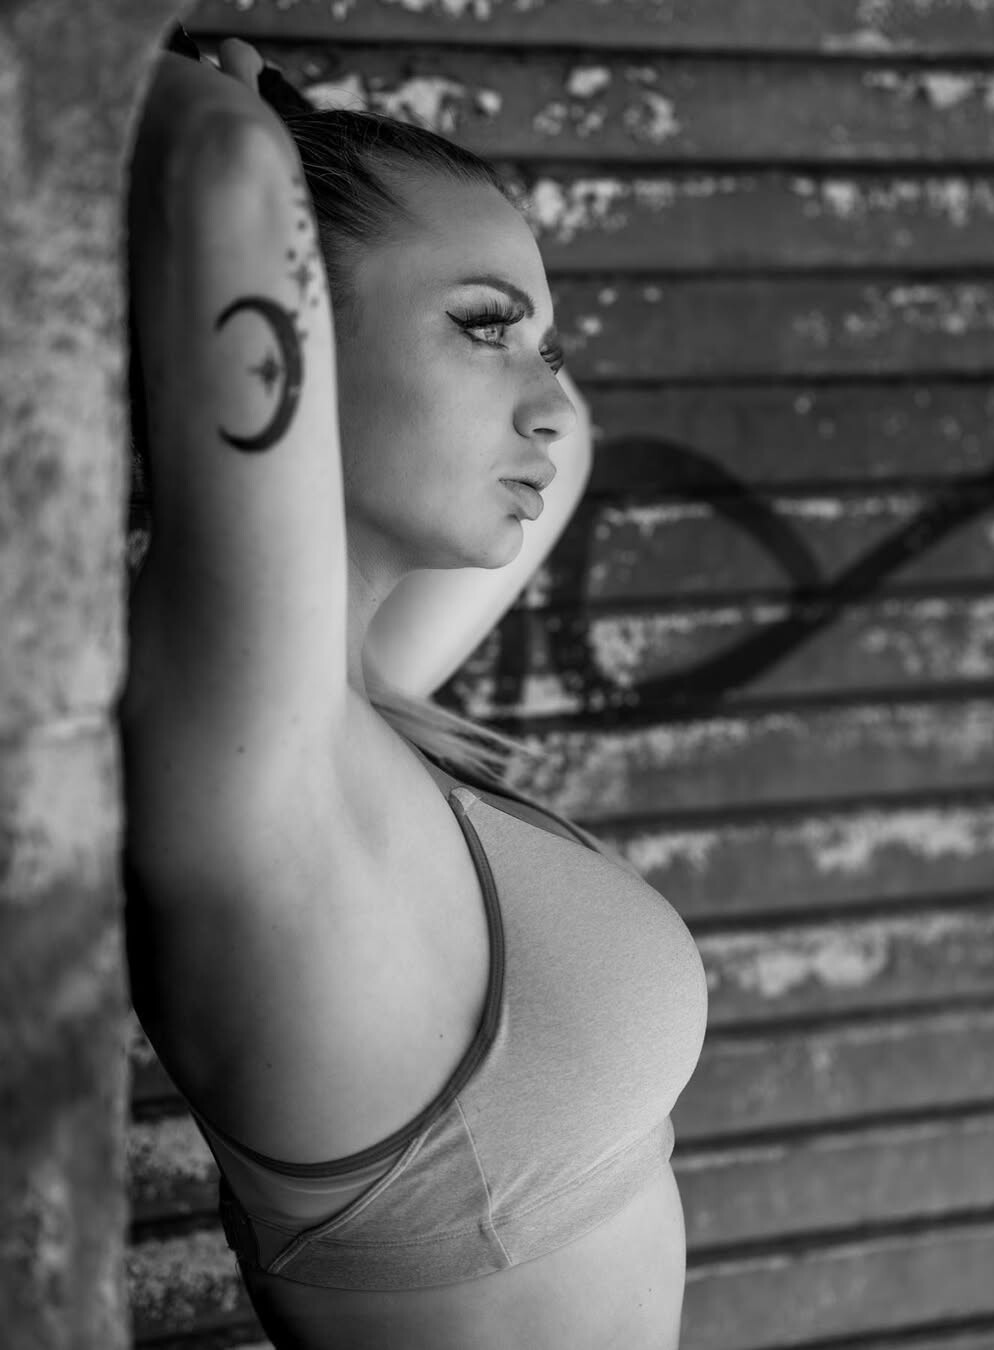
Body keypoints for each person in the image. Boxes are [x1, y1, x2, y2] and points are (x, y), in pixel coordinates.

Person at [121, 25, 709, 1350]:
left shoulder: (355, 709)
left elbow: (565, 442)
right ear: (283, 342)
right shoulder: (252, 758)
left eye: (546, 345)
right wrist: (178, 99)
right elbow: (223, 175)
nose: (547, 400)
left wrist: (297, 159)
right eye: (486, 327)